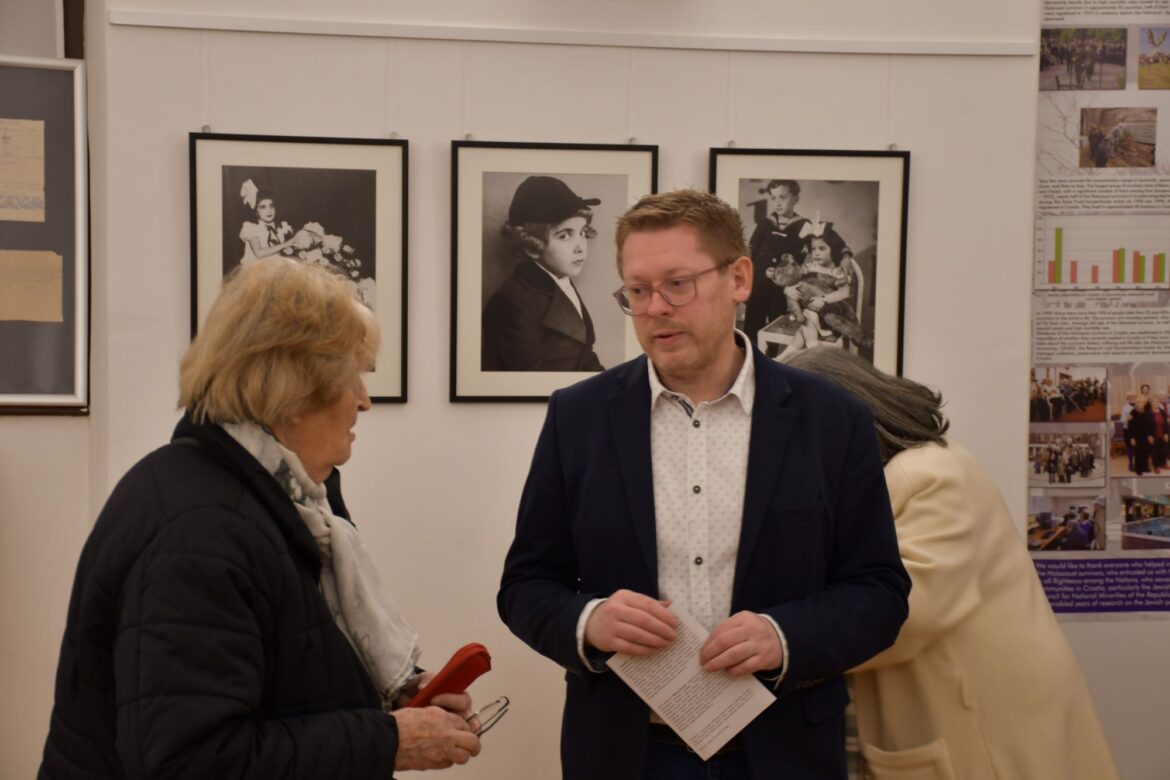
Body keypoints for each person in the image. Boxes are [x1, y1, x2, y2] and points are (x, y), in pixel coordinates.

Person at [497, 189, 910, 780]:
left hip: (783, 748)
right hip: (627, 750)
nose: (656, 307)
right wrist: (587, 623)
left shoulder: (831, 418)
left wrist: (784, 634)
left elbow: (880, 592)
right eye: (637, 290)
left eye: (678, 284)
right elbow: (527, 584)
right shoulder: (579, 417)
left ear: (739, 278)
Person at [39, 259, 481, 778]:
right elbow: (191, 762)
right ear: (295, 392)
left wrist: (397, 697)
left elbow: (290, 666)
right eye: (352, 377)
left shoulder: (281, 493)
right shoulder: (199, 532)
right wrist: (386, 740)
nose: (363, 401)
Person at [783, 346, 1120, 780]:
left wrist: (778, 634)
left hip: (984, 717)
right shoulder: (886, 477)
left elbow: (903, 613)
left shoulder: (929, 476)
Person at [481, 175, 606, 372]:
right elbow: (526, 384)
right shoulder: (513, 302)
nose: (580, 247)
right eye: (565, 236)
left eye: (582, 232)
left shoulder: (559, 278)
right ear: (532, 246)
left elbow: (584, 355)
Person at [777, 222, 869, 359]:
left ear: (833, 249)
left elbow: (845, 292)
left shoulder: (837, 270)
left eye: (822, 249)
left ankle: (810, 356)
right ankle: (786, 356)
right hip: (813, 312)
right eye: (813, 249)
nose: (816, 253)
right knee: (809, 317)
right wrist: (788, 289)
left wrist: (824, 300)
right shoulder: (810, 266)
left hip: (833, 312)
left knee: (809, 315)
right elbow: (794, 280)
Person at [743, 179, 809, 347]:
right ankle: (748, 357)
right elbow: (750, 252)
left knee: (775, 328)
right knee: (752, 325)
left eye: (783, 197)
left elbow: (826, 239)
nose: (777, 203)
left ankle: (771, 360)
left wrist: (845, 256)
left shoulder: (803, 226)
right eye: (774, 198)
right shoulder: (765, 224)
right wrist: (747, 281)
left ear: (795, 198)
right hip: (758, 285)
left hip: (781, 290)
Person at [238, 178, 300, 263]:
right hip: (257, 268)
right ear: (256, 211)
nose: (269, 210)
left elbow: (293, 239)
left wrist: (288, 249)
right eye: (263, 207)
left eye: (271, 206)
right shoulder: (251, 228)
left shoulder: (281, 227)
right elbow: (259, 253)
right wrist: (285, 244)